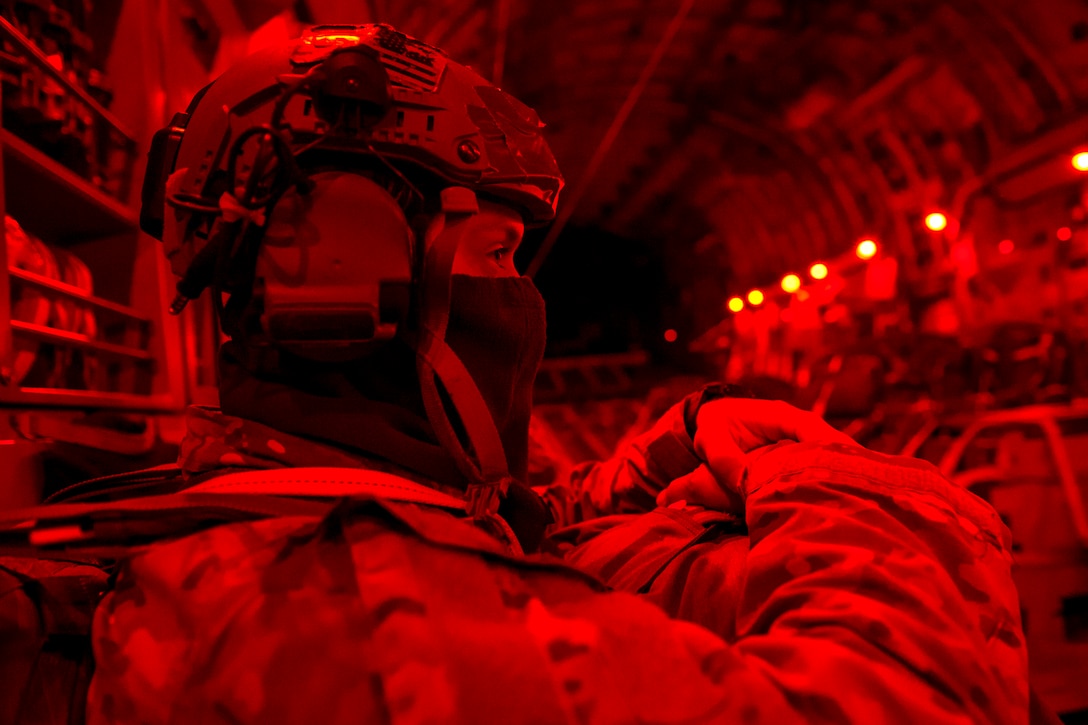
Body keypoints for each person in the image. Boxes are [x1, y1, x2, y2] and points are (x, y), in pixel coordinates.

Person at [0, 23, 1031, 724]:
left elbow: (479, 525)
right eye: (494, 255)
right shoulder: (358, 616)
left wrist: (671, 446)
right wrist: (834, 471)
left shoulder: (241, 515)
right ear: (351, 256)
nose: (516, 300)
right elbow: (913, 694)